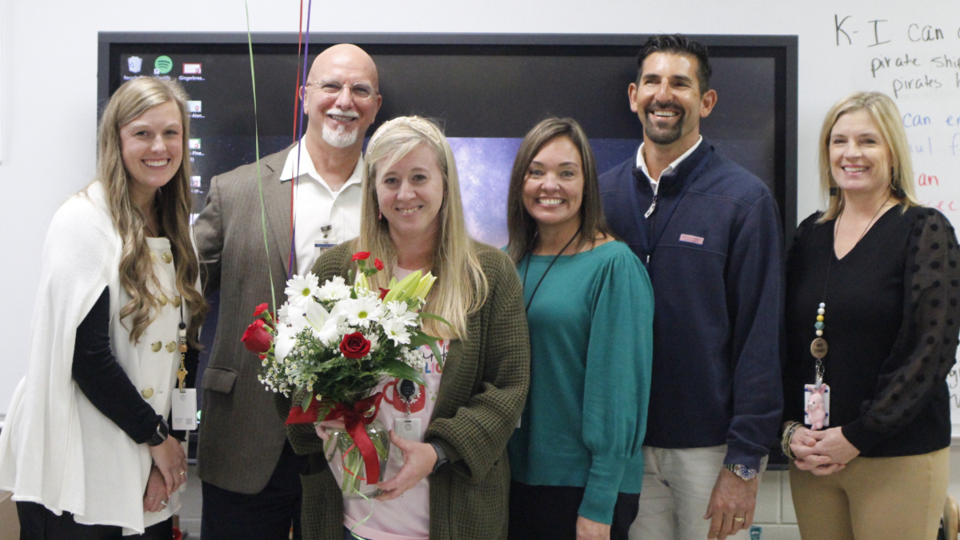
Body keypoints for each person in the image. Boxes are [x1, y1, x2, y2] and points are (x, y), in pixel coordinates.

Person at [280, 116, 530, 540]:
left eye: (419, 177)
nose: (405, 193)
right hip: (350, 520)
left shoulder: (489, 273)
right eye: (391, 180)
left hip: (455, 515)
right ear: (373, 191)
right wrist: (322, 414)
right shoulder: (337, 269)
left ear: (445, 185)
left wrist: (438, 452)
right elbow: (299, 376)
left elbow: (509, 388)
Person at [0, 76, 206, 538]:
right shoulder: (83, 221)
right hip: (81, 455)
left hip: (146, 446)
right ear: (115, 140)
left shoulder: (176, 229)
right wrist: (156, 440)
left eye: (171, 133)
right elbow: (87, 355)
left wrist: (173, 445)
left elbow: (184, 352)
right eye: (142, 133)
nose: (159, 146)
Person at [193, 43, 381, 540]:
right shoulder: (234, 190)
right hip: (246, 438)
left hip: (353, 439)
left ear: (376, 106)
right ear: (304, 95)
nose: (345, 100)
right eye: (331, 86)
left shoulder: (395, 199)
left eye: (360, 89)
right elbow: (177, 296)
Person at [598, 34, 783, 540]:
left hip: (711, 452)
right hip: (624, 448)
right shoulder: (601, 195)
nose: (665, 94)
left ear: (706, 101)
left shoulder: (745, 201)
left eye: (680, 83)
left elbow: (760, 337)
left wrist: (745, 462)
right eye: (653, 82)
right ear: (633, 95)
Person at [781, 91, 960, 540]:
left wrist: (859, 433)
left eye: (868, 141)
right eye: (839, 141)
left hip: (897, 455)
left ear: (892, 151)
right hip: (815, 458)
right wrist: (789, 431)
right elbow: (786, 342)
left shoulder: (924, 229)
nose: (851, 153)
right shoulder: (809, 235)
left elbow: (931, 351)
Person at [504, 117, 654, 540]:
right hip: (511, 481)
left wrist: (600, 501)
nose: (550, 184)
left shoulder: (614, 266)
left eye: (566, 173)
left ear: (587, 184)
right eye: (536, 171)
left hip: (580, 489)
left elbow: (620, 393)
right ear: (520, 182)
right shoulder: (503, 264)